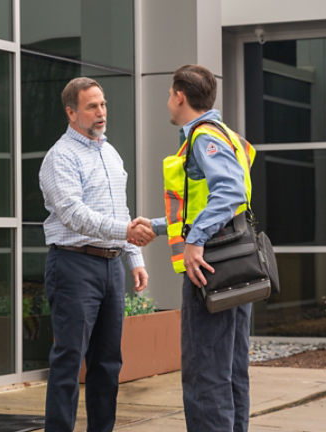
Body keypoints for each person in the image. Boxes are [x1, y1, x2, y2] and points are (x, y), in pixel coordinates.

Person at [133, 64, 256, 432]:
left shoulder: (202, 137)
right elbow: (206, 205)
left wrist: (196, 241)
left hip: (211, 267)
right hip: (235, 261)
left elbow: (229, 192)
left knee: (205, 373)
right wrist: (157, 227)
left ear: (180, 96)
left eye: (170, 95)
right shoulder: (225, 135)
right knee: (231, 370)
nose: (168, 102)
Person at [38, 77, 154, 432]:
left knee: (107, 364)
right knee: (69, 361)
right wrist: (125, 233)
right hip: (73, 266)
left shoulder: (109, 151)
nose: (101, 112)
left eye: (102, 104)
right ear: (72, 113)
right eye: (92, 106)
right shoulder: (60, 157)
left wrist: (133, 258)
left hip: (109, 267)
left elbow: (119, 208)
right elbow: (74, 214)